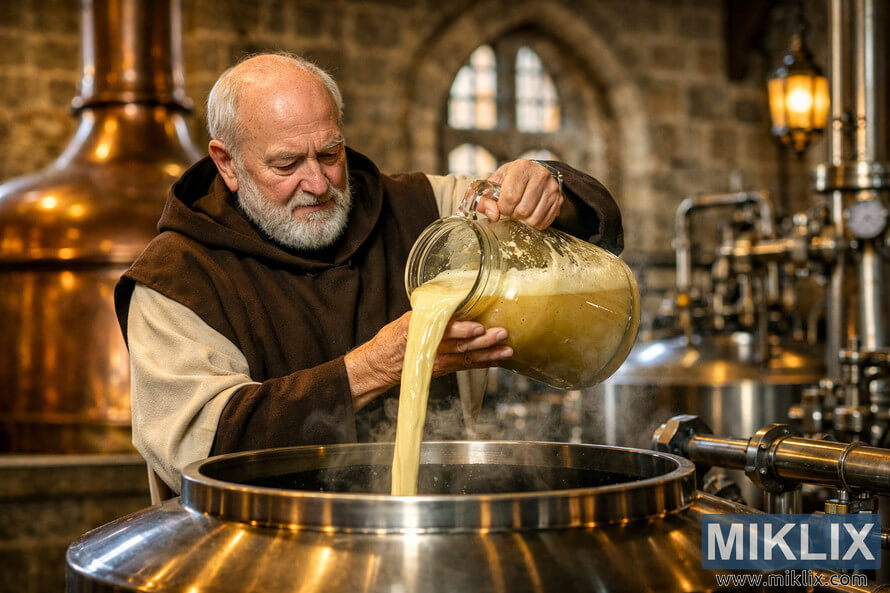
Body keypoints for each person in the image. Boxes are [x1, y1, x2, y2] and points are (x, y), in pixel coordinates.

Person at [114, 52, 623, 493]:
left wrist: (547, 187)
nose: (317, 182)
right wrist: (374, 367)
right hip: (266, 556)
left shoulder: (421, 207)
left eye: (329, 153)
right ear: (227, 163)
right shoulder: (175, 279)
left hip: (436, 529)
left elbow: (569, 234)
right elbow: (197, 449)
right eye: (286, 164)